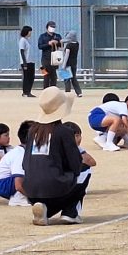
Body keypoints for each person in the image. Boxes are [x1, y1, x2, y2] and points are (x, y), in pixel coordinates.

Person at [24, 87, 85, 225]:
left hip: (30, 190)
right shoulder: (64, 131)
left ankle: (43, 208)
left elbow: (25, 163)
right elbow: (75, 163)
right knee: (85, 171)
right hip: (55, 189)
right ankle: (70, 212)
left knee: (51, 183)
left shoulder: (32, 131)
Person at [0, 121, 31, 207]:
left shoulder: (20, 150)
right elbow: (18, 183)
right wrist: (33, 198)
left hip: (4, 182)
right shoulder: (20, 154)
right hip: (4, 185)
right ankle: (19, 197)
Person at [37, 20, 62, 89]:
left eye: (54, 27)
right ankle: (45, 90)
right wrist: (48, 44)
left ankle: (53, 90)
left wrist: (57, 42)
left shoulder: (57, 36)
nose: (52, 28)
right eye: (51, 27)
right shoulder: (42, 36)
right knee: (45, 75)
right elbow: (40, 46)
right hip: (45, 59)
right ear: (47, 27)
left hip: (55, 59)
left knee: (54, 76)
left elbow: (61, 45)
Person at [61, 31, 82, 97]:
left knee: (66, 78)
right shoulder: (77, 44)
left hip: (68, 63)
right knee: (73, 78)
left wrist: (63, 65)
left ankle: (67, 92)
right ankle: (79, 92)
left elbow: (66, 55)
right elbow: (65, 41)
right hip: (74, 63)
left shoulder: (69, 45)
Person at [18, 25, 36, 97]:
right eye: (29, 31)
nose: (30, 33)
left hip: (31, 61)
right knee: (26, 77)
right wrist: (24, 63)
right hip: (26, 62)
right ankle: (25, 92)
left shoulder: (27, 40)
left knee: (31, 77)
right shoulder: (22, 40)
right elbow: (22, 51)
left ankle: (29, 91)